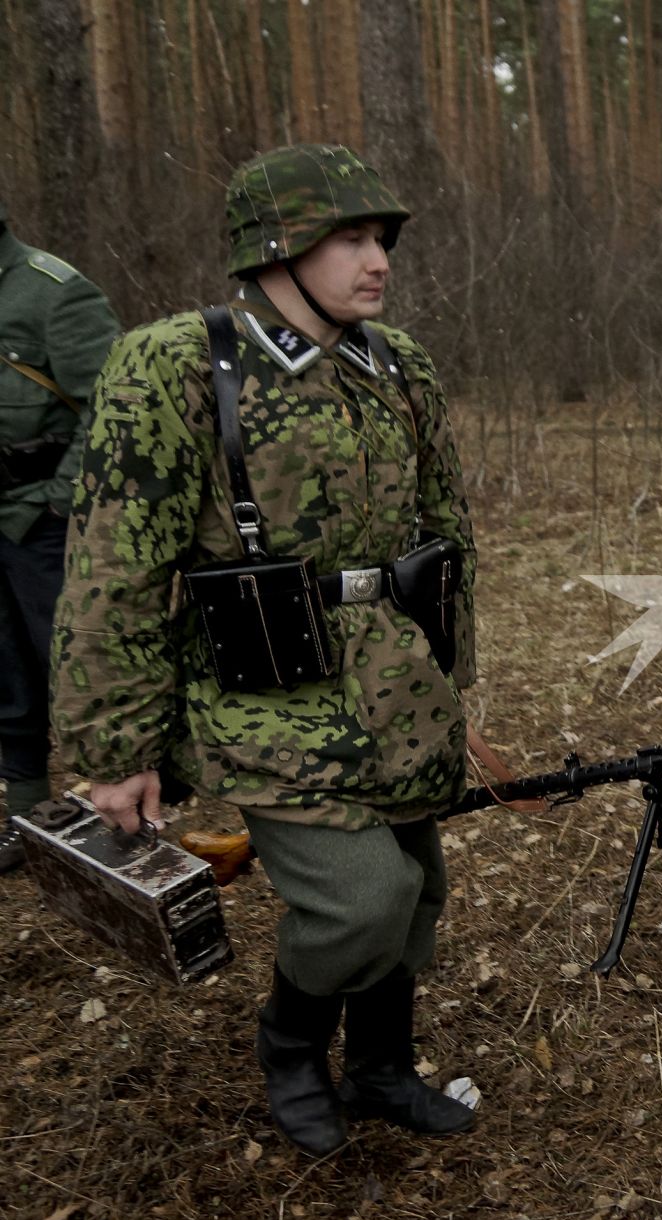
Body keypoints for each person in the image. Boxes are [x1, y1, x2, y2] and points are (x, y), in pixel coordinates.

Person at [49, 143, 479, 1157]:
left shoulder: (395, 362)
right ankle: (289, 1043)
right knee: (360, 896)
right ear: (278, 247)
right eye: (351, 238)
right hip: (263, 691)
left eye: (382, 238)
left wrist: (452, 671)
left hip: (393, 681)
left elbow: (445, 526)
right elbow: (115, 565)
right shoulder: (180, 364)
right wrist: (114, 747)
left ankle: (378, 1066)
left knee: (416, 888)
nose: (378, 260)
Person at [0, 198, 118, 872]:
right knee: (6, 675)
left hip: (46, 522)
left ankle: (127, 812)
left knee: (79, 670)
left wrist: (57, 501)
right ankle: (26, 814)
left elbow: (115, 404)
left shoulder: (54, 293)